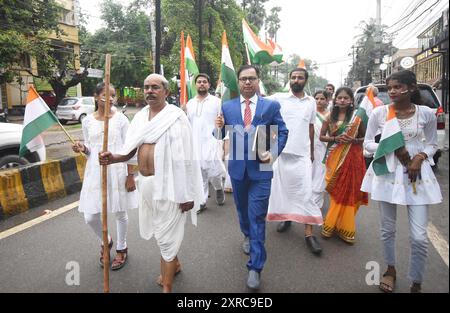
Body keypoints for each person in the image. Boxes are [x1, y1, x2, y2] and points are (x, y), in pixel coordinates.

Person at [99, 74, 203, 293]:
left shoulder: (176, 117)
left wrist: (187, 194)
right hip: (145, 184)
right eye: (146, 87)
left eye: (155, 87)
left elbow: (187, 158)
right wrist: (114, 158)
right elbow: (130, 150)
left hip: (172, 187)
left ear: (166, 91)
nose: (149, 91)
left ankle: (167, 287)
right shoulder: (140, 117)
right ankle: (174, 264)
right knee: (162, 231)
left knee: (166, 237)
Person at [361, 70, 442, 293]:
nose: (393, 91)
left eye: (397, 87)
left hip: (416, 175)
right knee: (388, 230)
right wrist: (389, 148)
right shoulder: (380, 113)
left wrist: (420, 157)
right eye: (390, 88)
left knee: (419, 236)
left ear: (412, 88)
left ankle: (416, 280)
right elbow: (367, 144)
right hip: (388, 173)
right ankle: (390, 270)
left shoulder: (426, 113)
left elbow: (434, 144)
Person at [215, 65, 288, 290]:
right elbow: (219, 135)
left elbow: (283, 131)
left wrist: (273, 153)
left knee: (257, 217)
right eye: (244, 79)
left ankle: (255, 267)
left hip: (262, 170)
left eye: (252, 78)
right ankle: (245, 234)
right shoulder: (227, 107)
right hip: (237, 167)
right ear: (238, 82)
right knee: (242, 210)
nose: (248, 82)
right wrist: (218, 127)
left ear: (258, 81)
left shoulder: (271, 106)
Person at [72, 82, 138, 271]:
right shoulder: (87, 121)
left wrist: (130, 175)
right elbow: (90, 149)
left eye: (113, 95)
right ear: (95, 96)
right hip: (95, 171)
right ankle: (106, 241)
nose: (109, 98)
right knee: (90, 217)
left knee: (119, 212)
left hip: (117, 169)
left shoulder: (121, 120)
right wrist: (83, 148)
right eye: (105, 94)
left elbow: (130, 149)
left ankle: (121, 248)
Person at [266, 68, 323, 256]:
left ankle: (308, 234)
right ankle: (287, 218)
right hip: (280, 153)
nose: (296, 80)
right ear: (289, 80)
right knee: (283, 191)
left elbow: (311, 127)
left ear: (306, 81)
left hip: (302, 155)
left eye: (300, 77)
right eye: (293, 77)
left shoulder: (311, 102)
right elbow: (260, 104)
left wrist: (312, 152)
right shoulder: (278, 98)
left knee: (306, 192)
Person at [319, 87, 368, 244]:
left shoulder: (357, 118)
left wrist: (353, 140)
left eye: (346, 98)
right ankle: (331, 224)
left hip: (352, 158)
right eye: (339, 97)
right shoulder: (329, 117)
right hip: (334, 157)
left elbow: (365, 139)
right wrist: (336, 139)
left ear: (351, 100)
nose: (342, 100)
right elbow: (321, 137)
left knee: (349, 191)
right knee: (336, 191)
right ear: (335, 99)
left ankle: (343, 226)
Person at [186, 74, 226, 212]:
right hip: (195, 142)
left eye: (204, 82)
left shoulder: (216, 101)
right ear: (195, 85)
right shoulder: (190, 103)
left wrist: (221, 125)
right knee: (199, 171)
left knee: (213, 170)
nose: (201, 84)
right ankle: (202, 201)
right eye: (199, 82)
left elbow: (222, 120)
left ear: (209, 85)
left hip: (211, 140)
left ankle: (218, 187)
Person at [311, 90, 330, 217]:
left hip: (325, 150)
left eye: (322, 98)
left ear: (327, 100)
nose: (319, 101)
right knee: (310, 176)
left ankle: (316, 205)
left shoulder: (331, 116)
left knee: (321, 176)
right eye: (316, 98)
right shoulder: (310, 114)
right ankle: (308, 203)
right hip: (311, 149)